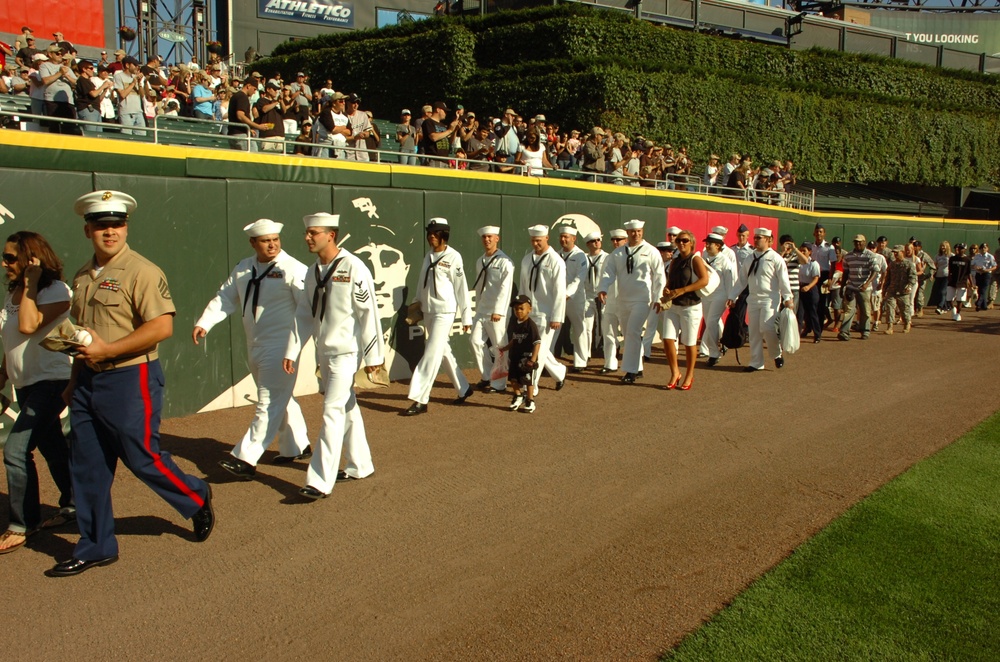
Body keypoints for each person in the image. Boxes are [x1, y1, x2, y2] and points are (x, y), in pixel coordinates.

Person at [48, 191, 213, 577]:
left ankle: (195, 495)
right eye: (101, 226)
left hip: (130, 377)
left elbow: (161, 328)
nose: (110, 232)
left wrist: (108, 351)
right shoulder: (82, 276)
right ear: (88, 230)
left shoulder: (143, 271)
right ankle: (96, 546)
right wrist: (73, 383)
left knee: (142, 458)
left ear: (126, 228)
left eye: (117, 224)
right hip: (88, 380)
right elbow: (84, 336)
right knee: (87, 466)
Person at [192, 219, 311, 480]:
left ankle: (245, 458)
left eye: (275, 239)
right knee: (279, 396)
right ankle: (297, 445)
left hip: (282, 346)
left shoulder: (293, 268)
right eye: (266, 241)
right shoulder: (243, 268)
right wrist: (205, 322)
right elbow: (225, 297)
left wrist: (297, 346)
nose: (272, 245)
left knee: (269, 400)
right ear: (253, 243)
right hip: (255, 344)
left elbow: (308, 309)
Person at [284, 213, 383, 498]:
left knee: (331, 411)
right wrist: (292, 349)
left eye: (313, 233)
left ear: (331, 235)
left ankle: (319, 481)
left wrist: (374, 357)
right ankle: (360, 464)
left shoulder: (353, 266)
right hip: (324, 353)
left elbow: (368, 313)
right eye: (307, 233)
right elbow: (304, 314)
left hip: (346, 354)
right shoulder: (311, 272)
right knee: (346, 406)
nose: (307, 237)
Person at [0, 232, 75, 554]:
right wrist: (3, 373)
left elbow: (28, 326)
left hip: (52, 381)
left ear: (31, 259)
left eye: (10, 258)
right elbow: (11, 338)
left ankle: (22, 523)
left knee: (15, 450)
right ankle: (74, 502)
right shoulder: (14, 292)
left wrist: (31, 283)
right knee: (51, 444)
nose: (4, 264)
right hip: (25, 383)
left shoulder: (55, 290)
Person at [404, 218, 473, 416]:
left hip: (445, 312)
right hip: (428, 311)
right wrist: (417, 303)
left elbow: (461, 288)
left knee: (431, 353)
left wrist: (466, 316)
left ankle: (420, 399)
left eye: (435, 234)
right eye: (430, 233)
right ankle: (464, 388)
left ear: (444, 235)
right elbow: (422, 282)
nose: (431, 237)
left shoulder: (454, 257)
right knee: (442, 350)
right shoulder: (428, 256)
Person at [597, 220, 666, 384]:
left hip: (642, 299)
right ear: (627, 233)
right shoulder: (618, 253)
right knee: (629, 334)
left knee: (633, 332)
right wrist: (603, 288)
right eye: (633, 231)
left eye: (639, 231)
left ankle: (630, 371)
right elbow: (608, 273)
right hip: (623, 299)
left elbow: (659, 276)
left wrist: (658, 298)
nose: (636, 234)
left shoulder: (651, 251)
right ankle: (638, 366)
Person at [727, 227, 794, 372]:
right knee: (754, 331)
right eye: (755, 237)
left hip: (770, 298)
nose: (756, 240)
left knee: (767, 327)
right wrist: (732, 296)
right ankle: (756, 362)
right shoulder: (750, 257)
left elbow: (783, 280)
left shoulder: (776, 258)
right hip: (753, 298)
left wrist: (788, 297)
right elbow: (742, 279)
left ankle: (776, 354)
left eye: (759, 238)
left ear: (768, 240)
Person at [519, 225, 567, 393]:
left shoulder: (556, 261)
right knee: (538, 349)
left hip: (546, 314)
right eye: (533, 240)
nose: (535, 243)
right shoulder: (527, 260)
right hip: (530, 313)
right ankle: (559, 372)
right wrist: (521, 310)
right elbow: (523, 287)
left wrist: (557, 316)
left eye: (538, 240)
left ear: (547, 238)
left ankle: (531, 387)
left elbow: (559, 291)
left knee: (537, 352)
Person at [659, 230, 709, 390]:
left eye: (685, 240)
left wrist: (683, 290)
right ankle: (675, 372)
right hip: (673, 305)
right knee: (667, 339)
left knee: (689, 343)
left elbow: (704, 280)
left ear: (691, 243)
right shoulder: (674, 261)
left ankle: (689, 374)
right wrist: (667, 289)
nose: (681, 243)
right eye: (679, 240)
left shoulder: (695, 259)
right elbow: (670, 281)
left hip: (691, 306)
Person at [469, 225, 514, 393]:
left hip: (497, 313)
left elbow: (505, 288)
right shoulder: (480, 261)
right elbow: (480, 287)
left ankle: (499, 383)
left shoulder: (505, 262)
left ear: (497, 239)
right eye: (484, 237)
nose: (487, 240)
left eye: (490, 237)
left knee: (500, 348)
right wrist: (477, 308)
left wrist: (499, 311)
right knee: (475, 341)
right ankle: (487, 376)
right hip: (482, 310)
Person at [497, 295, 541, 413]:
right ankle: (518, 396)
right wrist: (505, 348)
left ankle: (530, 400)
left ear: (529, 309)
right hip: (515, 356)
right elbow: (514, 339)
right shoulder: (515, 323)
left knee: (528, 381)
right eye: (516, 309)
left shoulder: (530, 325)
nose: (519, 311)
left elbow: (537, 343)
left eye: (522, 308)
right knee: (513, 378)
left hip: (527, 358)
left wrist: (532, 360)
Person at [700, 232, 738, 365]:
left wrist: (732, 297)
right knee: (709, 323)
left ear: (718, 245)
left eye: (710, 243)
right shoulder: (704, 256)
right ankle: (719, 345)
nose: (707, 245)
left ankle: (714, 354)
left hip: (720, 295)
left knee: (712, 322)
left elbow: (730, 280)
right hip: (706, 295)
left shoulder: (725, 261)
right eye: (707, 243)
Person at [557, 226, 589, 372]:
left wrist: (568, 293)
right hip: (558, 298)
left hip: (575, 299)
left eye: (566, 237)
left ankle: (581, 362)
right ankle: (546, 360)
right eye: (561, 236)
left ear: (574, 238)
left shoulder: (581, 256)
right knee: (552, 329)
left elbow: (579, 278)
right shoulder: (556, 255)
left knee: (579, 328)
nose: (563, 239)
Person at [838, 234, 878, 341]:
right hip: (851, 286)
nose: (858, 244)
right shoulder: (848, 256)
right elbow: (846, 272)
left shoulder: (870, 255)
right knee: (849, 310)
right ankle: (844, 332)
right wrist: (842, 287)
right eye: (856, 242)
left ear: (864, 242)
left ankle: (865, 330)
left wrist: (867, 283)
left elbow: (875, 270)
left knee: (865, 310)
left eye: (860, 242)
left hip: (864, 288)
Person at [599, 229, 627, 374]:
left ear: (625, 240)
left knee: (630, 334)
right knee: (609, 333)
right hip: (610, 301)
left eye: (619, 239)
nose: (615, 242)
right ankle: (610, 363)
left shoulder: (631, 256)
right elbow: (603, 277)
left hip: (626, 301)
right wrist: (602, 290)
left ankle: (636, 365)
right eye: (613, 240)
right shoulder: (609, 258)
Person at [581, 231, 608, 372]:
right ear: (588, 244)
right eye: (593, 241)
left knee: (605, 325)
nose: (597, 242)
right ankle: (586, 355)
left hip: (603, 295)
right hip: (588, 296)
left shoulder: (607, 257)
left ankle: (608, 353)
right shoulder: (583, 258)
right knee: (586, 326)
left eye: (598, 240)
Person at [882, 245, 917, 334]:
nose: (895, 254)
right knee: (890, 308)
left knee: (904, 308)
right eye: (894, 253)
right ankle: (890, 327)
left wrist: (909, 286)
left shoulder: (908, 264)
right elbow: (888, 278)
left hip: (903, 291)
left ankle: (907, 324)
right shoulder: (892, 264)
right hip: (892, 290)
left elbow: (913, 277)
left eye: (897, 252)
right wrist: (884, 289)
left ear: (902, 252)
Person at [797, 243, 822, 343]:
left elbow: (816, 278)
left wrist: (808, 287)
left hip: (811, 289)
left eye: (804, 251)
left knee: (812, 313)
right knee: (800, 313)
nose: (802, 253)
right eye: (801, 250)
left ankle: (817, 335)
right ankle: (798, 334)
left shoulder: (814, 264)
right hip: (800, 288)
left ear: (810, 252)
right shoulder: (798, 262)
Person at [947, 243, 973, 322]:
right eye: (959, 248)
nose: (960, 250)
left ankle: (958, 314)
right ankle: (953, 309)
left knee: (960, 300)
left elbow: (969, 273)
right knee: (949, 299)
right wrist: (949, 279)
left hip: (962, 282)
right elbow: (950, 271)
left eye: (962, 248)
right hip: (952, 281)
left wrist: (971, 284)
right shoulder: (952, 259)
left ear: (965, 250)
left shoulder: (967, 260)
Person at [971, 242, 996, 312]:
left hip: (986, 274)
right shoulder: (977, 256)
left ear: (987, 249)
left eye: (985, 248)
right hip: (978, 274)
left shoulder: (990, 256)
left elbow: (994, 266)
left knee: (983, 289)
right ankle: (984, 306)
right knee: (980, 290)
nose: (983, 249)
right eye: (982, 248)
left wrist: (986, 270)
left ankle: (978, 303)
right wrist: (976, 267)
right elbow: (972, 264)